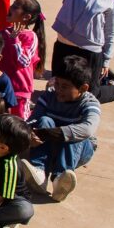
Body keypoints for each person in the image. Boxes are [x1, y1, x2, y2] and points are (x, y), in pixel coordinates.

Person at [21, 55, 101, 202]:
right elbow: (33, 119)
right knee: (44, 120)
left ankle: (61, 179)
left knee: (75, 132)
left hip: (79, 151)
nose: (58, 89)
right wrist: (31, 133)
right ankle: (39, 172)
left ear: (83, 88)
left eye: (64, 86)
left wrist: (56, 133)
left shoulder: (90, 103)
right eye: (57, 83)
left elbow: (88, 129)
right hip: (49, 145)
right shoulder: (48, 96)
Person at [0, 0, 47, 118]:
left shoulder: (30, 37)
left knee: (20, 124)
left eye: (15, 7)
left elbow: (23, 62)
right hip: (1, 88)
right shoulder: (3, 32)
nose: (10, 7)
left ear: (26, 17)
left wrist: (15, 40)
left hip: (19, 92)